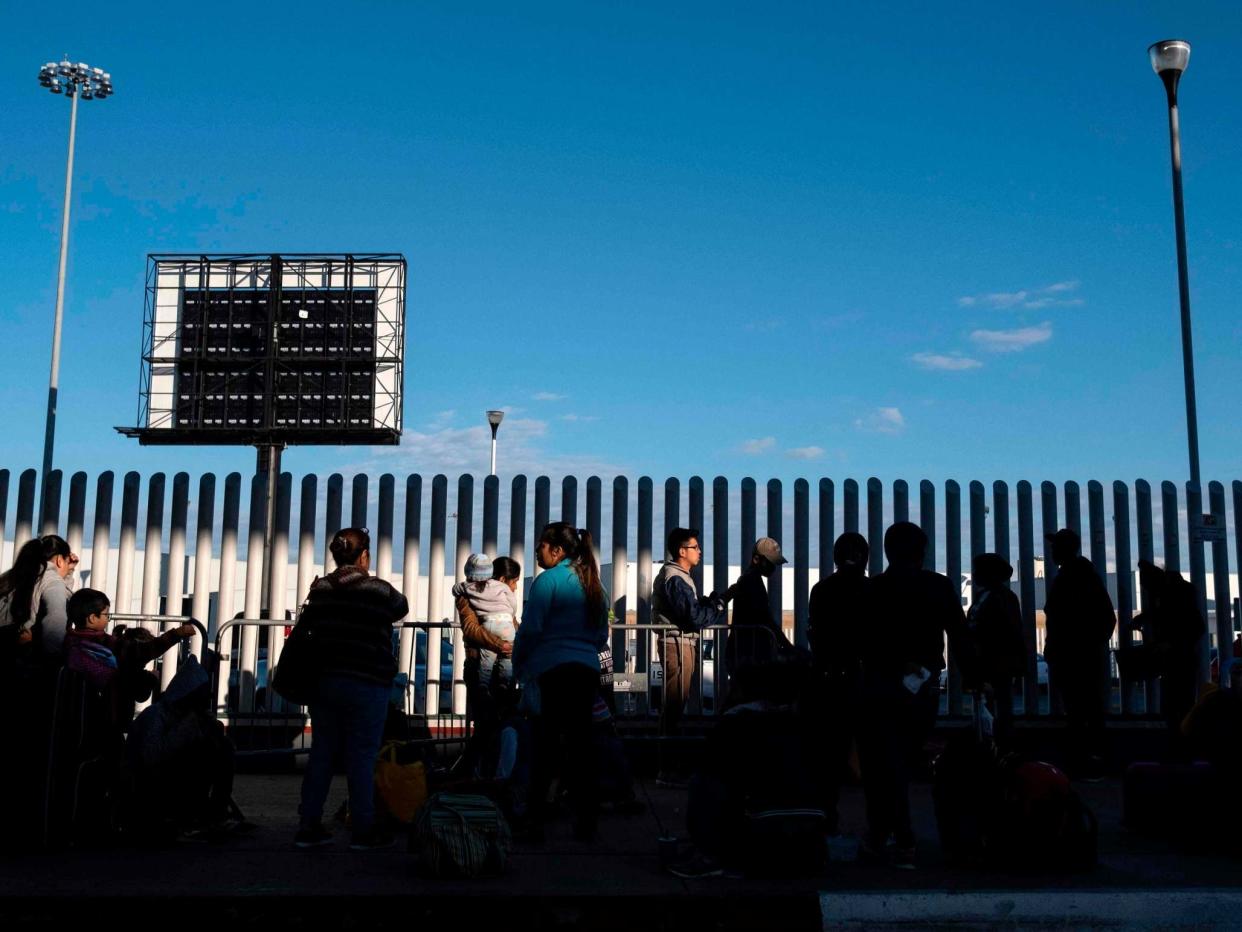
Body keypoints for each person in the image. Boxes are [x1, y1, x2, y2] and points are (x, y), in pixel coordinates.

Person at [859, 521, 970, 870]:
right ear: (922, 552)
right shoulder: (938, 586)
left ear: (887, 551)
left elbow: (861, 641)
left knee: (883, 764)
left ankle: (888, 835)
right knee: (902, 760)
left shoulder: (874, 589)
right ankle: (897, 838)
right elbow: (961, 636)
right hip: (923, 689)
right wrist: (977, 680)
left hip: (880, 686)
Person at [294, 527, 408, 851]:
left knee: (322, 754)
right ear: (365, 556)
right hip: (367, 683)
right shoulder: (379, 589)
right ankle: (363, 829)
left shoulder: (321, 590)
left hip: (325, 683)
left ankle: (308, 826)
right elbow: (402, 607)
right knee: (361, 756)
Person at [512, 522, 609, 842]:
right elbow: (601, 635)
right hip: (585, 670)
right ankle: (587, 821)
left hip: (553, 669)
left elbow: (531, 628)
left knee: (546, 747)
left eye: (541, 545)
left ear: (557, 550)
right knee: (582, 747)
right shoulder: (594, 584)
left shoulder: (546, 582)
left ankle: (536, 820)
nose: (537, 550)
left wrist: (519, 664)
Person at [652, 527, 727, 787]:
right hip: (677, 644)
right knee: (673, 706)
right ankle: (667, 770)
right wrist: (716, 607)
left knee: (674, 705)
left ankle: (668, 766)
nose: (699, 551)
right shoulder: (675, 578)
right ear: (682, 551)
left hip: (680, 643)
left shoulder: (678, 576)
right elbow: (693, 618)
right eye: (695, 547)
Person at [62, 588, 197, 732]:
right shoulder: (108, 645)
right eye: (106, 615)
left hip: (74, 718)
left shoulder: (69, 642)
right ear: (92, 618)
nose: (108, 619)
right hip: (109, 720)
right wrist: (176, 634)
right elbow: (144, 651)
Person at [807, 531, 870, 834]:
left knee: (828, 756)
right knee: (875, 756)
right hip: (867, 680)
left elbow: (816, 636)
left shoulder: (822, 590)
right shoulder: (873, 591)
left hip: (831, 680)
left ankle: (826, 817)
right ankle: (881, 827)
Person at [1043, 529, 1116, 780]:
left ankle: (1087, 762)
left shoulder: (1077, 577)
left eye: (1055, 546)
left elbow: (1103, 618)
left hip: (1076, 658)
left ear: (1064, 549)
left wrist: (1079, 647)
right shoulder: (1079, 574)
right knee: (1084, 710)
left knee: (1082, 711)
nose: (1051, 551)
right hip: (1077, 656)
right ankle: (1089, 760)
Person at [454, 554, 522, 777]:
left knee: (496, 724)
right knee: (487, 724)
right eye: (513, 583)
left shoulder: (498, 599)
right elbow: (470, 628)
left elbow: (514, 625)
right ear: (502, 579)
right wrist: (501, 644)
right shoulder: (467, 595)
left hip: (493, 665)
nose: (514, 589)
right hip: (478, 664)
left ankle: (486, 774)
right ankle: (470, 774)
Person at [1131, 559, 1205, 756]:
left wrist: (1169, 644)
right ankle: (1182, 751)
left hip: (1179, 662)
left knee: (1177, 708)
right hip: (1179, 661)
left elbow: (1196, 628)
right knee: (1178, 707)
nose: (1145, 590)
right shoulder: (1172, 595)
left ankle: (1182, 751)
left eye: (1145, 585)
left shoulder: (1174, 597)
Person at [966, 553, 1026, 746]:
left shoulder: (999, 598)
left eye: (978, 570)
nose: (974, 574)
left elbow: (1009, 633)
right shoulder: (996, 597)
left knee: (994, 711)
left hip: (994, 666)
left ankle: (997, 748)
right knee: (993, 710)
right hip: (992, 666)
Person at [725, 537, 792, 674]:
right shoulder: (752, 582)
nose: (773, 567)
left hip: (744, 652)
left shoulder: (749, 579)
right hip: (748, 654)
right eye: (770, 562)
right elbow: (764, 617)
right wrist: (787, 645)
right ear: (756, 559)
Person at [31, 535, 78, 660]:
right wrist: (53, 659)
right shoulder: (52, 581)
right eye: (67, 562)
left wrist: (68, 571)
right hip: (34, 659)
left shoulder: (30, 573)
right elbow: (56, 620)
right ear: (59, 560)